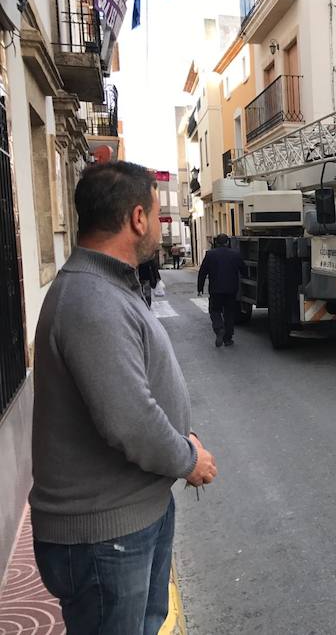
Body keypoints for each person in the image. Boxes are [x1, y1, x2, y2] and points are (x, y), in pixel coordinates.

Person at [30, 161, 218, 634]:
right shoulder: (91, 300)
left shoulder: (105, 286)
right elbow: (130, 421)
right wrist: (188, 458)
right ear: (137, 218)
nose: (157, 224)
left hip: (126, 523)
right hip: (105, 538)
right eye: (155, 213)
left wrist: (182, 438)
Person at [198, 233, 246, 348]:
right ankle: (228, 339)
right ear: (227, 242)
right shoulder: (235, 254)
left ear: (216, 243)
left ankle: (219, 328)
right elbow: (243, 269)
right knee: (229, 313)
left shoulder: (210, 255)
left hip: (215, 290)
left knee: (214, 311)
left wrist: (200, 288)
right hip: (231, 290)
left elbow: (202, 272)